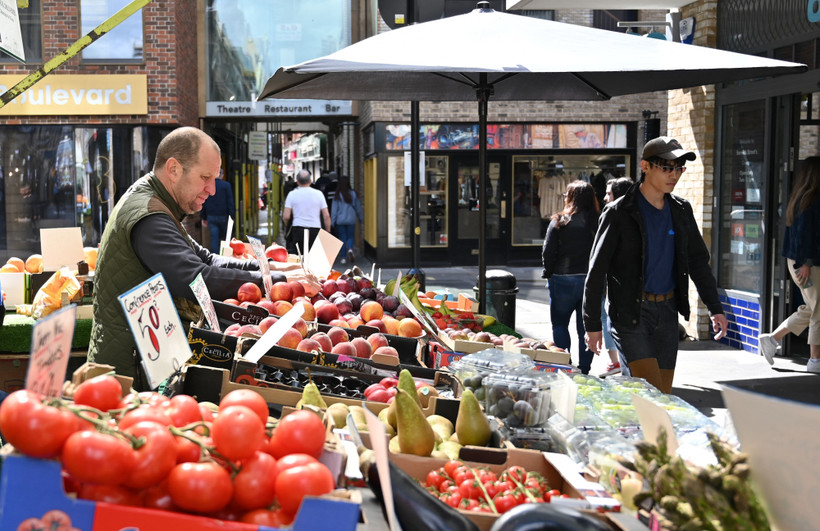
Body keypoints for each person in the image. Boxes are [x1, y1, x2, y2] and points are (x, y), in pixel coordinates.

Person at [88, 127, 276, 386]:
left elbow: (206, 258)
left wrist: (269, 270)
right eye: (205, 177)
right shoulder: (149, 215)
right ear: (174, 169)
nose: (212, 189)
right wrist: (271, 284)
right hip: (129, 370)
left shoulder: (157, 203)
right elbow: (195, 277)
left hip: (146, 358)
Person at [582, 137, 728, 394]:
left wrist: (715, 307)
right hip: (631, 314)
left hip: (668, 313)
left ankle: (638, 432)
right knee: (648, 390)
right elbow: (597, 270)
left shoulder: (681, 209)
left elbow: (697, 261)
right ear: (645, 166)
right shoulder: (619, 212)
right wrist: (592, 324)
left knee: (662, 392)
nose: (674, 175)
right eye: (666, 167)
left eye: (679, 168)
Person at [759, 156, 820, 372]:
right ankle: (815, 360)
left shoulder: (798, 198)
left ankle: (772, 339)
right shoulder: (811, 199)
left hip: (799, 261)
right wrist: (806, 263)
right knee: (818, 309)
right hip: (808, 264)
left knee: (812, 308)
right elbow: (804, 235)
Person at [542, 180, 600, 375]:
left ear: (570, 197)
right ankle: (584, 370)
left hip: (562, 278)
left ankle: (564, 364)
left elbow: (548, 251)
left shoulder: (559, 220)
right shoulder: (598, 221)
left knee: (559, 324)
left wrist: (548, 273)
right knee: (586, 328)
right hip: (590, 281)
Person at [599, 176, 634, 377]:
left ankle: (620, 363)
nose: (604, 198)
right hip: (618, 286)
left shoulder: (615, 218)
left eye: (608, 193)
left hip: (624, 290)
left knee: (612, 322)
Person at [283, 169, 330, 254]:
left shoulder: (292, 194)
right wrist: (328, 231)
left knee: (298, 257)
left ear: (297, 182)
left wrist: (287, 225)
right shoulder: (319, 194)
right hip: (315, 229)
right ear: (311, 181)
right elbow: (326, 215)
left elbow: (286, 216)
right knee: (314, 257)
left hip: (298, 229)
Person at [331, 175, 364, 264]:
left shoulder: (337, 195)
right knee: (350, 236)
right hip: (351, 219)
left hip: (340, 220)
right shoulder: (353, 194)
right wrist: (361, 218)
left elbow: (334, 210)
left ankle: (343, 257)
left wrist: (332, 222)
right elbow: (358, 207)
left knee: (342, 238)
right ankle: (350, 249)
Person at [200, 169, 234, 253]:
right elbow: (230, 202)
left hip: (211, 216)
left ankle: (215, 260)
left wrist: (203, 217)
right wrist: (232, 216)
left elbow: (204, 202)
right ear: (222, 175)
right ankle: (227, 258)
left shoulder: (207, 186)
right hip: (223, 216)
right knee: (226, 238)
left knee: (214, 240)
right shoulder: (226, 185)